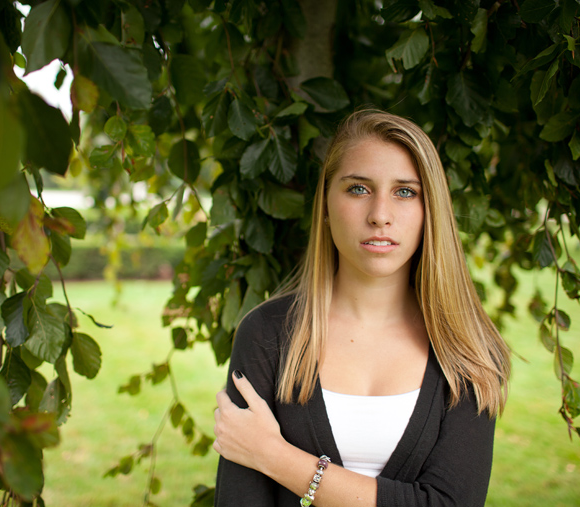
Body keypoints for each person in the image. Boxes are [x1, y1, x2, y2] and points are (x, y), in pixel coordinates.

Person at [212, 110, 511, 507]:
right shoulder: (268, 334)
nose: (380, 216)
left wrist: (275, 456)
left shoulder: (467, 347)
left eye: (405, 192)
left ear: (430, 211)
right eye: (358, 189)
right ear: (324, 203)